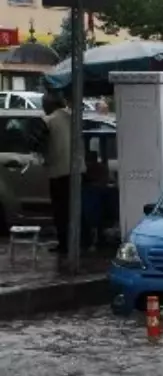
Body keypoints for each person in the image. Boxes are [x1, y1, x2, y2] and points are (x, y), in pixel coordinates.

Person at [43, 91, 86, 256]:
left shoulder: (48, 121)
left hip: (58, 171)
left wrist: (44, 159)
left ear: (49, 105)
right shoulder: (73, 117)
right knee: (75, 208)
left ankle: (65, 244)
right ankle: (79, 241)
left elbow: (37, 143)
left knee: (60, 211)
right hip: (77, 170)